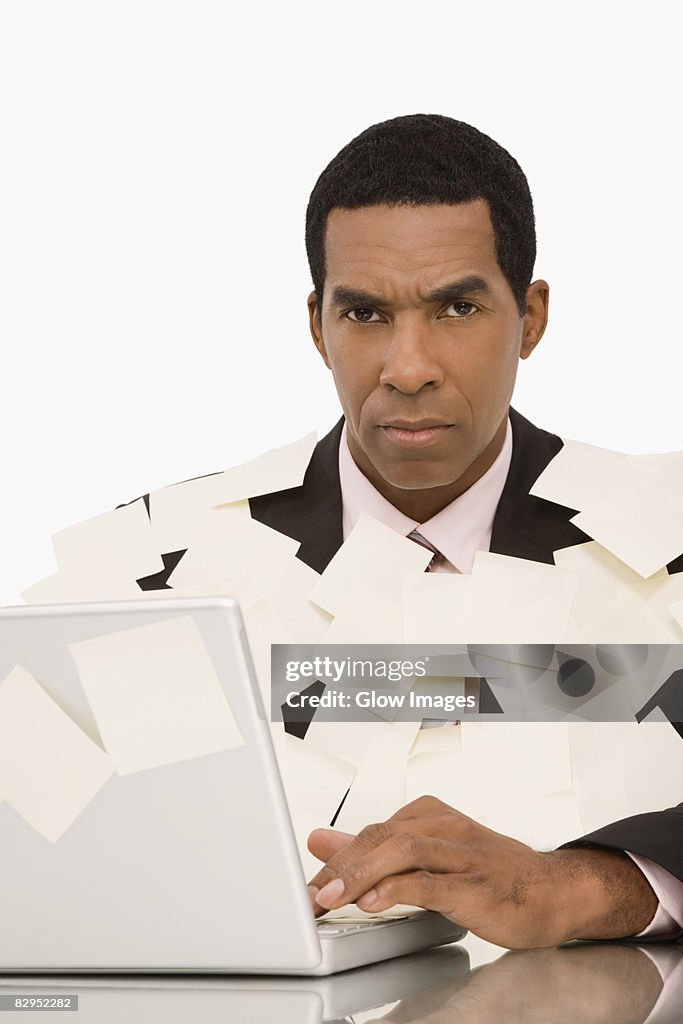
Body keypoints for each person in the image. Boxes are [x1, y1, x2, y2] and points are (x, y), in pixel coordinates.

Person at [135, 114, 683, 947]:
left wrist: (588, 887)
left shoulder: (666, 537)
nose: (409, 367)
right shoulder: (153, 566)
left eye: (457, 307)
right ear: (317, 323)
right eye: (363, 315)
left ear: (529, 317)